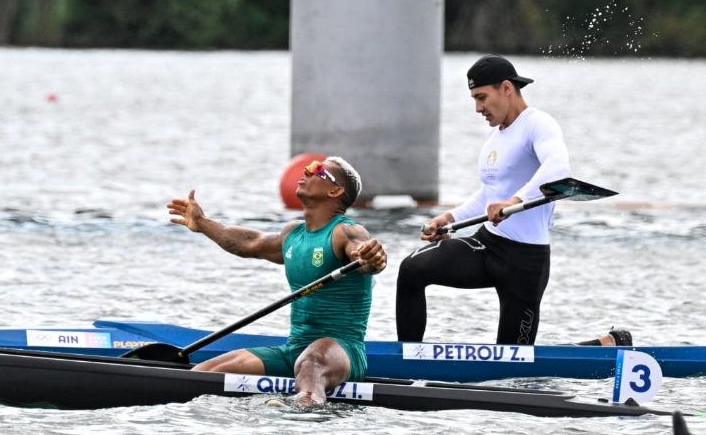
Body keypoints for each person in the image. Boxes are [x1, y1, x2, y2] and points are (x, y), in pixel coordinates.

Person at [395, 55, 630, 347]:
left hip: (524, 261)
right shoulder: (495, 137)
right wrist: (449, 218)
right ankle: (406, 358)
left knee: (513, 362)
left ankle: (606, 344)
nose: (478, 108)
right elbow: (489, 194)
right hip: (486, 245)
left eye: (482, 97)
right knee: (412, 269)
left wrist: (515, 200)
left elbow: (558, 169)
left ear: (506, 88)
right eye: (473, 99)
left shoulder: (539, 125)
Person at [167, 156, 387, 407]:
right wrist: (203, 223)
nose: (306, 171)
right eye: (308, 167)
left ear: (335, 191)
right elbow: (249, 243)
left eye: (318, 170)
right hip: (293, 350)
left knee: (311, 361)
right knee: (208, 371)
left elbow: (366, 258)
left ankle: (301, 410)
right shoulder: (293, 234)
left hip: (341, 351)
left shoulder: (345, 232)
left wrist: (373, 258)